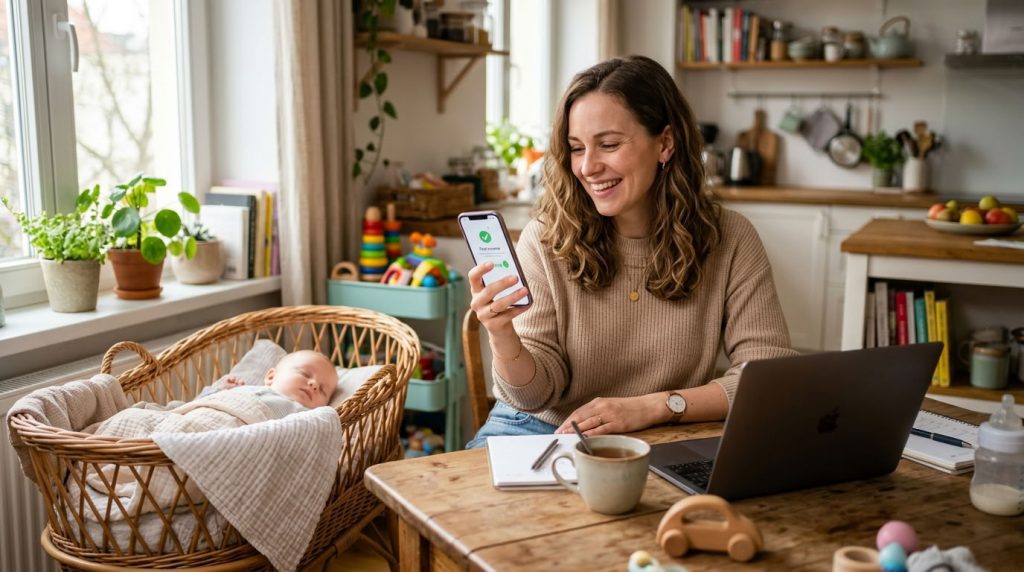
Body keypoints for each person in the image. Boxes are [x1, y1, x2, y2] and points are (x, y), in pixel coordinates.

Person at [465, 55, 798, 449]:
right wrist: (503, 335)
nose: (588, 167)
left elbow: (768, 376)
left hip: (664, 430)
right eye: (576, 148)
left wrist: (658, 407)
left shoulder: (730, 238)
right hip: (540, 427)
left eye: (608, 144)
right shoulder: (546, 237)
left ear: (665, 143)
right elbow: (533, 396)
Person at [206, 350, 338, 416]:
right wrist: (223, 391)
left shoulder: (308, 418)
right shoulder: (248, 390)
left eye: (322, 390)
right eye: (305, 374)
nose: (314, 384)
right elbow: (206, 403)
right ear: (271, 376)